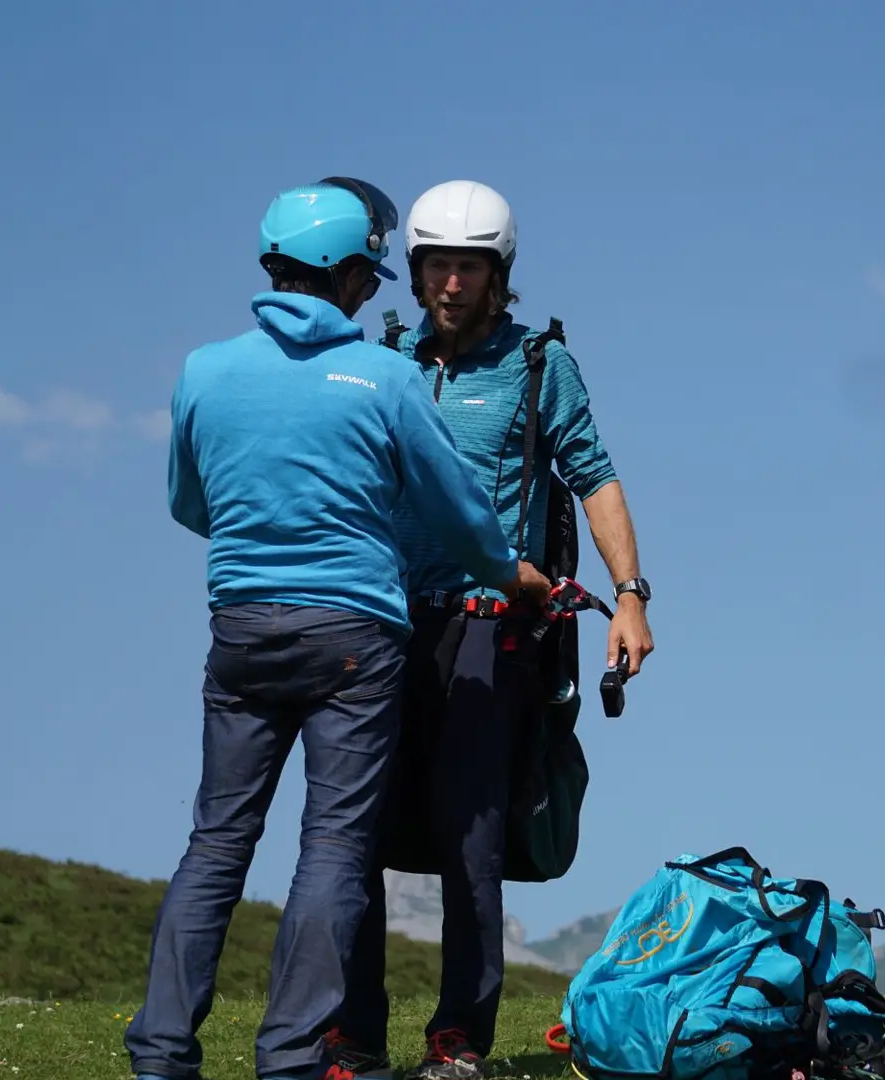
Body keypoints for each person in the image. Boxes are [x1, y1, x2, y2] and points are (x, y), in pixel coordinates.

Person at [125, 177, 551, 1080]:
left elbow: (187, 503)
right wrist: (511, 574)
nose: (378, 286)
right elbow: (461, 517)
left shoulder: (205, 370)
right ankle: (288, 1056)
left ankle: (162, 1052)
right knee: (334, 847)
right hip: (353, 639)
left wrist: (264, 527)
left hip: (239, 628)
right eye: (373, 269)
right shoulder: (388, 378)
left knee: (216, 842)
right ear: (353, 272)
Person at [325, 180, 655, 1080]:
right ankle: (351, 1037)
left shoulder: (542, 365)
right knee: (355, 833)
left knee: (472, 834)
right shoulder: (385, 361)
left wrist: (631, 594)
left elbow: (595, 476)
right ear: (415, 272)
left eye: (469, 265)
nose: (452, 282)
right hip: (385, 623)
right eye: (436, 264)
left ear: (498, 273)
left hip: (490, 624)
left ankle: (457, 1038)